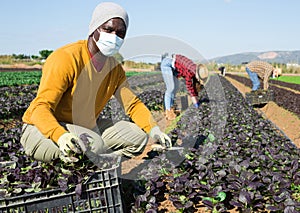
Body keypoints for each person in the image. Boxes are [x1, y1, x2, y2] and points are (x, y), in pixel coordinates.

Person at [20, 2, 171, 163]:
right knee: (94, 144)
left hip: (85, 129)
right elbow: (39, 108)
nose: (114, 37)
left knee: (137, 137)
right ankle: (74, 163)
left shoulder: (115, 69)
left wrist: (154, 130)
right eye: (108, 29)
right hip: (41, 130)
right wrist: (60, 135)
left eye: (120, 33)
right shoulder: (66, 58)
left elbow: (132, 105)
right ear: (94, 28)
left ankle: (100, 164)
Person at [160, 53, 208, 120]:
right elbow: (190, 88)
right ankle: (168, 112)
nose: (198, 79)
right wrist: (196, 104)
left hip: (174, 66)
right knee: (171, 87)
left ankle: (171, 108)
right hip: (167, 64)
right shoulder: (190, 72)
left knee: (175, 87)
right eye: (199, 78)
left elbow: (193, 87)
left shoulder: (194, 69)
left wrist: (197, 101)